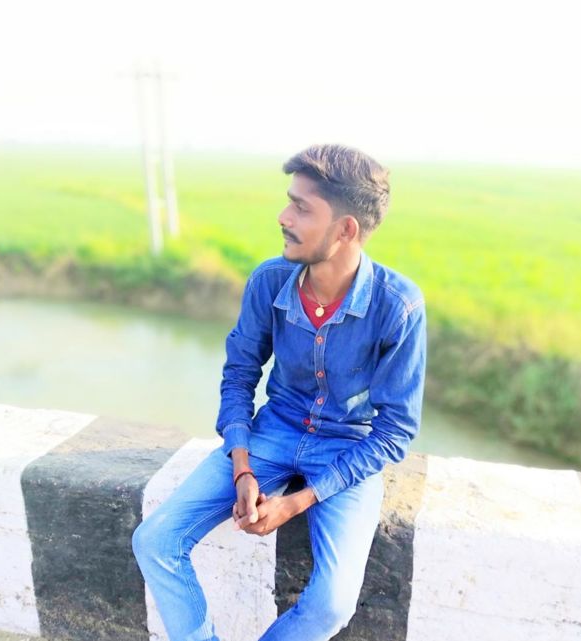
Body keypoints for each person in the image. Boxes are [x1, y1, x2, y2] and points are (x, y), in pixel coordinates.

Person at [131, 143, 427, 641]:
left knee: (332, 604)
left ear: (346, 229)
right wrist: (242, 465)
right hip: (272, 432)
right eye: (289, 202)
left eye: (302, 208)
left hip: (347, 449)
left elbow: (395, 431)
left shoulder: (398, 305)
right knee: (156, 541)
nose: (283, 217)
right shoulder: (270, 281)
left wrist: (298, 502)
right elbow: (239, 374)